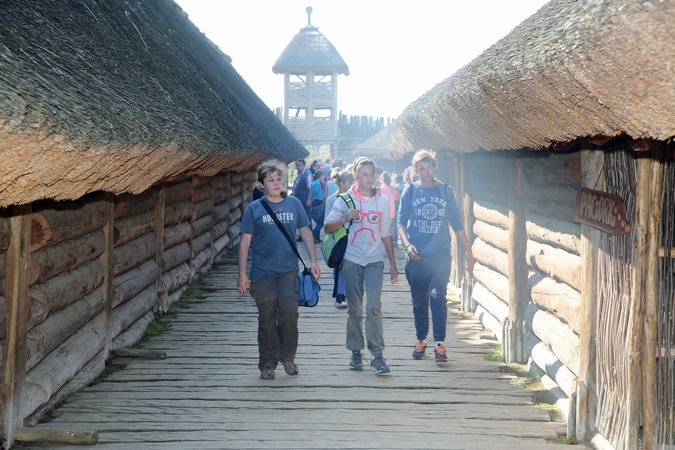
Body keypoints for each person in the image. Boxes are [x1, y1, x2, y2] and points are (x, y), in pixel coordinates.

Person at [238, 161, 321, 380]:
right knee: (266, 319)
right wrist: (242, 274)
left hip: (288, 271)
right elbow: (245, 242)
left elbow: (305, 232)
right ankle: (267, 363)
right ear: (261, 184)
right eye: (271, 180)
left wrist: (313, 260)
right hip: (262, 274)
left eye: (279, 179)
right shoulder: (254, 209)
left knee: (289, 315)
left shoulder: (293, 204)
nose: (276, 183)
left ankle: (288, 357)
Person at [397, 149, 475, 363]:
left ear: (434, 167)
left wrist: (468, 251)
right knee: (419, 302)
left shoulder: (445, 191)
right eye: (421, 168)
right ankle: (421, 340)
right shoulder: (410, 191)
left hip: (440, 254)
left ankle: (440, 343)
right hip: (417, 256)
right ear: (415, 170)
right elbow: (400, 222)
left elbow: (456, 222)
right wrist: (407, 246)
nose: (426, 172)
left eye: (429, 167)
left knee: (437, 296)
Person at [325, 157, 398, 374]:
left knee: (373, 307)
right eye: (364, 174)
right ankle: (356, 352)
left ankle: (377, 354)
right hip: (351, 260)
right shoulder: (344, 200)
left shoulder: (382, 201)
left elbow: (386, 233)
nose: (369, 177)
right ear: (355, 176)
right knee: (355, 309)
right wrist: (345, 218)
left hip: (375, 261)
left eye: (372, 173)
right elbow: (327, 227)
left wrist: (393, 264)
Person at [324, 169, 354, 309]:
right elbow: (327, 222)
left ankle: (345, 293)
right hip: (338, 236)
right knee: (339, 265)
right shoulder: (332, 199)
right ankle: (339, 295)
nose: (351, 184)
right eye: (349, 182)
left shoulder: (354, 198)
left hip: (352, 236)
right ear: (341, 183)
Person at [291, 159, 313, 238]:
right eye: (297, 165)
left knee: (305, 217)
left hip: (304, 198)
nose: (298, 167)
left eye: (300, 165)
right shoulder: (300, 174)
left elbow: (310, 188)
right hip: (299, 198)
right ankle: (303, 235)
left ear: (304, 165)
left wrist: (309, 199)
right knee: (300, 217)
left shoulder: (307, 174)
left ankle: (308, 235)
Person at [379, 172, 399, 246]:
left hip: (381, 210)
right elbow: (398, 198)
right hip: (391, 210)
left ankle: (383, 240)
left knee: (382, 226)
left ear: (381, 179)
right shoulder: (392, 188)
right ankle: (393, 240)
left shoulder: (379, 189)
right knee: (391, 226)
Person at [310, 169, 326, 243]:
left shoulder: (313, 183)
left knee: (318, 222)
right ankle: (312, 234)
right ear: (321, 176)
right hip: (320, 203)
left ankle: (317, 238)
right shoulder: (322, 183)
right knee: (321, 222)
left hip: (314, 203)